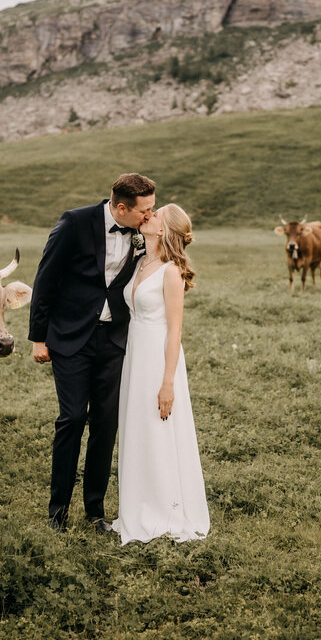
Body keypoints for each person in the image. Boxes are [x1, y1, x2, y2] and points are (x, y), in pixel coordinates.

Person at [29, 173, 156, 533]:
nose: (150, 215)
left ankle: (95, 510)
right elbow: (46, 277)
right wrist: (39, 338)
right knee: (71, 419)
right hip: (70, 338)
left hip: (115, 340)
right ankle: (57, 513)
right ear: (120, 208)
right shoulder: (75, 222)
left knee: (106, 423)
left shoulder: (141, 234)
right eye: (144, 210)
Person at [113, 203, 209, 545]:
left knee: (159, 426)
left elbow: (175, 332)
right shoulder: (141, 261)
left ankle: (165, 511)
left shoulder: (171, 272)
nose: (147, 216)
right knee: (138, 426)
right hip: (135, 356)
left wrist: (168, 382)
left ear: (162, 230)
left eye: (155, 215)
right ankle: (138, 505)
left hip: (158, 357)